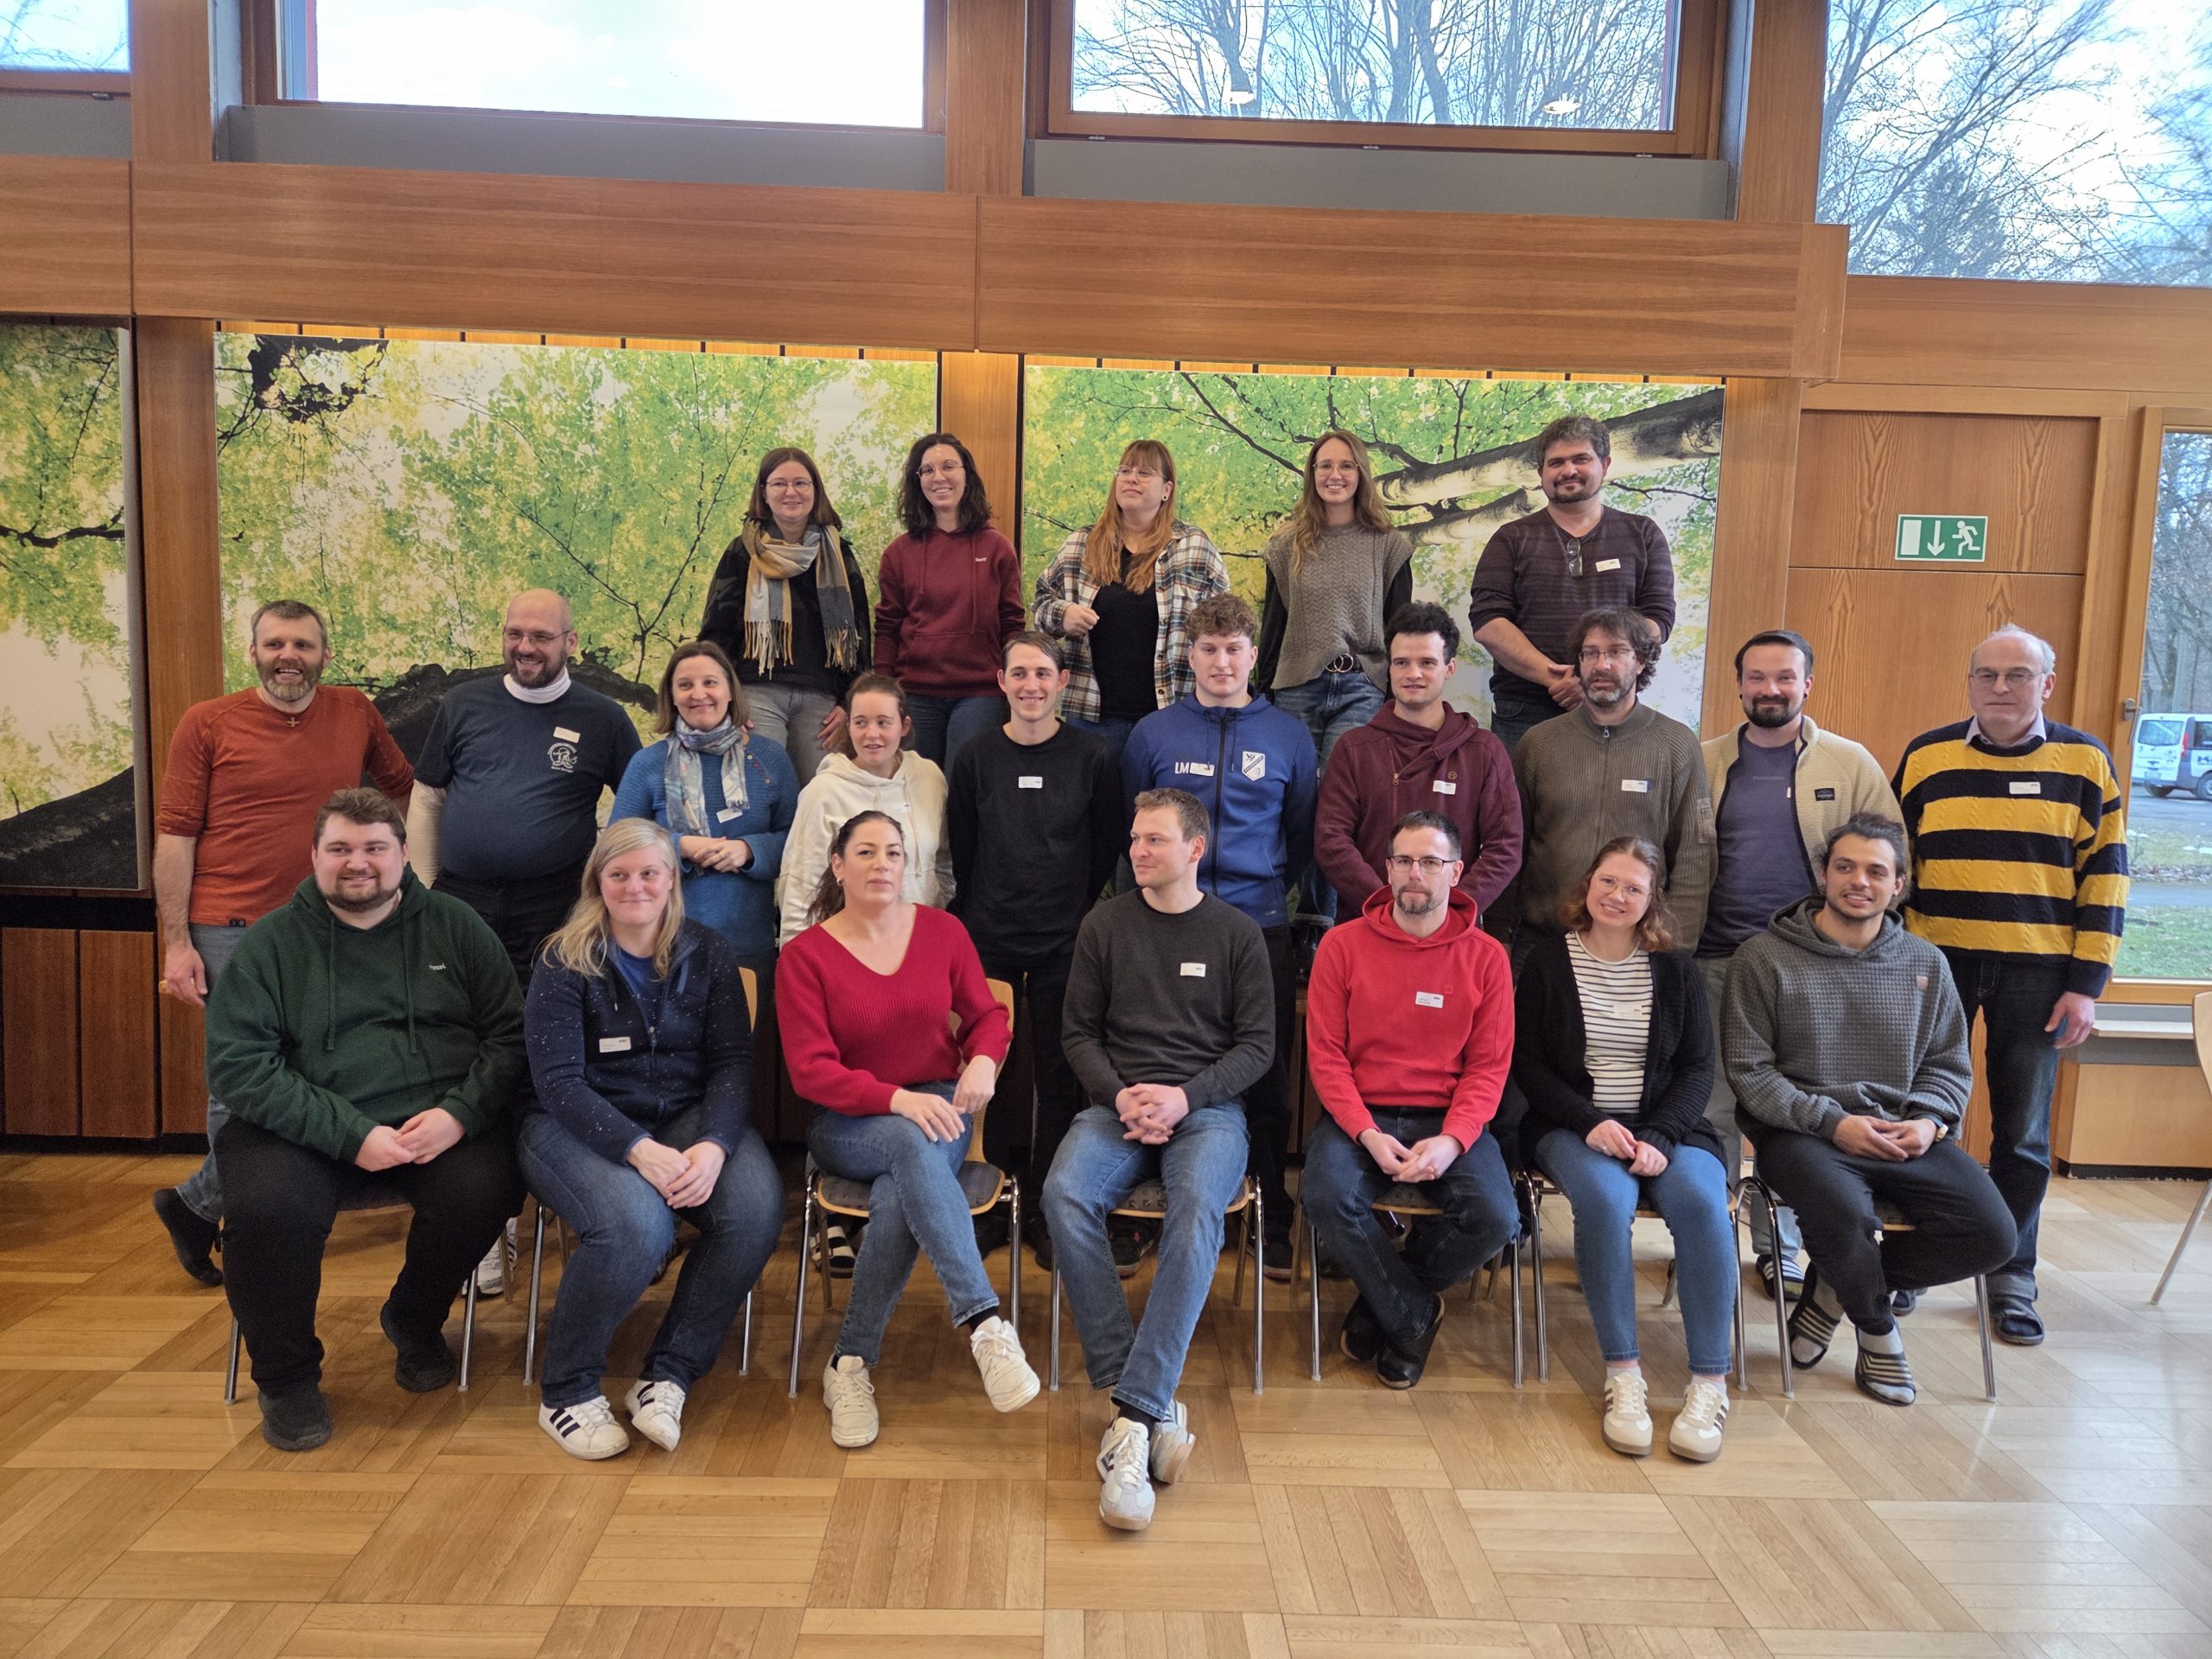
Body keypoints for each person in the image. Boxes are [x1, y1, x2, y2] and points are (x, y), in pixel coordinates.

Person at [204, 789, 524, 1452]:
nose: (358, 863)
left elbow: (510, 1037)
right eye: (341, 848)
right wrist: (349, 1135)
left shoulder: (456, 926)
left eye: (375, 848)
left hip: (432, 1122)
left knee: (487, 1186)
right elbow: (238, 1067)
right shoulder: (271, 943)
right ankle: (287, 1380)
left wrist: (460, 1115)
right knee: (266, 1210)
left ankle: (414, 1318)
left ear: (403, 854)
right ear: (314, 856)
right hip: (303, 1126)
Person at [150, 600, 414, 1288]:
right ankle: (246, 1224)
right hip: (230, 928)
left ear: (325, 654)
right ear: (254, 652)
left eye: (302, 644)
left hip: (326, 928)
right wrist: (176, 944)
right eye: (274, 644)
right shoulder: (207, 722)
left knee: (323, 1067)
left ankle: (198, 1205)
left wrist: (390, 868)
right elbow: (175, 837)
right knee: (240, 1081)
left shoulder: (355, 711)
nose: (287, 656)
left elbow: (403, 788)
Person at [1724, 816, 2018, 1406]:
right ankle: (1879, 1333)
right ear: (1823, 875)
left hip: (1903, 1131)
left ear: (1899, 885)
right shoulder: (1763, 958)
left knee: (1994, 1236)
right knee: (1844, 1218)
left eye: (1876, 871)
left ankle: (1834, 1287)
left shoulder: (1927, 963)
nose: (1859, 881)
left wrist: (1930, 1121)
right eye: (1846, 867)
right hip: (1802, 1135)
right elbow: (1751, 1072)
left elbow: (1947, 1064)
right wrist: (1834, 1123)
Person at [1043, 789, 1273, 1532]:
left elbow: (1258, 1047)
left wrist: (1184, 1097)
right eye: (1136, 839)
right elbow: (1078, 1034)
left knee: (1199, 1207)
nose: (1138, 851)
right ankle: (1141, 1400)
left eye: (1154, 840)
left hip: (1207, 1111)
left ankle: (1133, 1420)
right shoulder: (1105, 924)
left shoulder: (1238, 933)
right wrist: (1122, 1097)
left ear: (1195, 848)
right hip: (1119, 1105)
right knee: (1063, 1194)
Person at [1891, 626, 2128, 1346]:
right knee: (1924, 1118)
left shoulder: (2086, 762)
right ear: (1969, 682)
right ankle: (1920, 1257)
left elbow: (2107, 877)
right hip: (1935, 968)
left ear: (2046, 684)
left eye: (2018, 675)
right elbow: (1896, 868)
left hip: (2040, 972)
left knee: (2022, 1133)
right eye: (1987, 674)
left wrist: (2087, 983)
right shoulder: (1927, 756)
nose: (2001, 687)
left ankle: (2010, 1271)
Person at [520, 819, 783, 1459]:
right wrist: (639, 1150)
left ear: (672, 880)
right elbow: (558, 1084)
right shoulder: (562, 959)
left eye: (649, 873)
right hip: (571, 1124)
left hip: (685, 1116)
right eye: (619, 875)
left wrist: (715, 1144)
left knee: (754, 1210)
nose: (635, 886)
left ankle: (668, 1375)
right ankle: (567, 1390)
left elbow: (731, 1063)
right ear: (598, 883)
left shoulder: (708, 950)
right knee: (638, 1228)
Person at [778, 810, 1038, 1448]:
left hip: (940, 1107)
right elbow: (810, 1072)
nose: (881, 864)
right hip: (848, 1121)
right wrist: (895, 1099)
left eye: (893, 852)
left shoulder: (943, 931)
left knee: (901, 1190)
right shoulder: (805, 957)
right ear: (838, 866)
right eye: (865, 852)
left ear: (907, 864)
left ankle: (848, 1364)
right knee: (905, 1139)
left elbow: (987, 1017)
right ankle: (985, 1322)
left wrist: (985, 1058)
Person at [1515, 837, 1736, 1461]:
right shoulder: (1548, 961)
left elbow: (1697, 1068)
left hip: (1669, 1129)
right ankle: (1624, 1375)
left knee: (1703, 1203)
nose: (1617, 896)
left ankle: (1709, 1383)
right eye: (1608, 881)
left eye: (1633, 888)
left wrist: (1661, 1135)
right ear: (1587, 884)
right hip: (1571, 1127)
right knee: (1607, 1202)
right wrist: (1589, 1121)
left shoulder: (1676, 968)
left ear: (1652, 899)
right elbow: (1528, 1063)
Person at [1698, 630, 1901, 1305]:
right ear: (1739, 685)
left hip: (1809, 972)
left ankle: (1777, 1249)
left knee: (1791, 1111)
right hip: (1716, 960)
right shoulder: (1705, 760)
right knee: (1713, 1111)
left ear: (1807, 684)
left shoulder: (1849, 762)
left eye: (1785, 677)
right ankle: (1709, 1243)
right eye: (1757, 677)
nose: (1771, 689)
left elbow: (1890, 856)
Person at [1121, 592, 1317, 1275]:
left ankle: (1268, 1210)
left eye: (1234, 649)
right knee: (1156, 1058)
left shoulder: (1289, 736)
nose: (1221, 662)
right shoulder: (1154, 733)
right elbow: (1132, 828)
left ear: (1253, 655)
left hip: (1258, 926)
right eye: (1208, 649)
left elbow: (1300, 833)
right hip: (1166, 928)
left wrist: (1265, 887)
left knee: (1267, 1072)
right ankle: (1144, 1207)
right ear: (1191, 655)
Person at [1301, 812, 1519, 1389]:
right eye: (1403, 860)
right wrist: (1365, 1132)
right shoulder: (1342, 945)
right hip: (1361, 1116)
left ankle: (1383, 1303)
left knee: (1497, 1218)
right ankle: (1413, 1315)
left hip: (1448, 1120)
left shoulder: (1487, 957)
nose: (1414, 874)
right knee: (1324, 1196)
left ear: (1456, 872)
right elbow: (1326, 1056)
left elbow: (1489, 1068)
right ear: (1388, 867)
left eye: (1429, 862)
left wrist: (1452, 1140)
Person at [946, 632, 1122, 1266]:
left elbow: (1106, 846)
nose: (1031, 685)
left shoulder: (1093, 757)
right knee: (986, 1073)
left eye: (1043, 673)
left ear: (1063, 681)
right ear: (1001, 681)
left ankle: (1048, 1207)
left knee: (1058, 1075)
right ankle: (989, 1202)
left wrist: (1075, 910)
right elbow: (964, 849)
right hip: (988, 938)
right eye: (1019, 673)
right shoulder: (975, 757)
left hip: (1063, 941)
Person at [407, 588, 643, 989]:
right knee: (453, 1010)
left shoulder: (605, 718)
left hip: (554, 908)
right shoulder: (462, 703)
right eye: (514, 634)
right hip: (460, 899)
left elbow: (640, 810)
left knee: (542, 1014)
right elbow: (428, 798)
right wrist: (426, 890)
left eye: (541, 637)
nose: (525, 647)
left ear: (571, 642)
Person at [1508, 607, 1713, 957]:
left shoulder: (1676, 745)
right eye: (1590, 653)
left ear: (1641, 662)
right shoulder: (1538, 743)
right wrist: (1503, 933)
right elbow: (1512, 845)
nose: (1602, 665)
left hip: (1641, 948)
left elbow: (1696, 852)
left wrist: (1675, 950)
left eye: (1617, 652)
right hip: (1543, 945)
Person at [1465, 415, 1677, 753]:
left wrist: (1594, 677)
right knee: (1517, 793)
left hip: (1614, 707)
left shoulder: (1643, 534)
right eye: (1556, 463)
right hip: (1523, 711)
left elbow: (1658, 620)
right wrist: (1556, 679)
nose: (1568, 470)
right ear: (1541, 473)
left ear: (1604, 465)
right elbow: (1488, 622)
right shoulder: (1510, 538)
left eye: (1581, 459)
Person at [1031, 439, 1230, 774]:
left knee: (1165, 806)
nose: (1131, 478)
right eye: (1124, 470)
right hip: (1093, 718)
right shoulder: (1082, 543)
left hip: (1171, 715)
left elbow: (1226, 625)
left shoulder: (1194, 547)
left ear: (1167, 489)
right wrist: (1063, 615)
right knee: (1098, 807)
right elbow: (1040, 604)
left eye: (1144, 472)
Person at [1314, 601, 1521, 921]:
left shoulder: (1484, 751)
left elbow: (1505, 848)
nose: (1413, 674)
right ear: (1389, 668)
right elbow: (1331, 842)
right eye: (1402, 663)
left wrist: (1451, 912)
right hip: (1368, 924)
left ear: (1449, 668)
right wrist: (1385, 906)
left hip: (1454, 930)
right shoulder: (1354, 749)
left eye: (1427, 662)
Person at [610, 640, 796, 976]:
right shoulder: (647, 764)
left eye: (710, 682)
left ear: (730, 691)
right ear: (671, 696)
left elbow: (797, 842)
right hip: (664, 943)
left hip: (749, 942)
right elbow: (616, 849)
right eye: (685, 685)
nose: (699, 694)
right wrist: (679, 847)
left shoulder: (770, 759)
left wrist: (749, 850)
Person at [698, 446, 873, 787]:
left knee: (821, 795)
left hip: (822, 702)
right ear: (764, 492)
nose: (791, 492)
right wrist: (725, 701)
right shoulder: (741, 551)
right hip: (756, 695)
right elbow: (716, 635)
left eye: (800, 483)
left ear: (815, 490)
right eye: (779, 484)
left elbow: (859, 634)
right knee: (764, 793)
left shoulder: (839, 554)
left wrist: (850, 703)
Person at [1254, 429, 1415, 773]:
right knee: (1294, 791)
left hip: (1361, 689)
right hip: (1296, 689)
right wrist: (1262, 695)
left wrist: (1395, 697)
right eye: (1325, 465)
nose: (1335, 475)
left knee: (1341, 790)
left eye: (1346, 465)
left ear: (1361, 473)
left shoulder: (1389, 546)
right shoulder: (1285, 547)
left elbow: (1401, 630)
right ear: (1312, 474)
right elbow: (1273, 628)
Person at [873, 431, 1023, 771]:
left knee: (963, 787)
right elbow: (888, 627)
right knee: (916, 788)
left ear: (967, 475)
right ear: (918, 482)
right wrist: (884, 689)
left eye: (948, 466)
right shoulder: (899, 553)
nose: (938, 477)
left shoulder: (997, 548)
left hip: (980, 693)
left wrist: (1013, 685)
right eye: (927, 470)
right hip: (915, 694)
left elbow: (1012, 623)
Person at [778, 671, 953, 949]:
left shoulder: (929, 777)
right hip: (851, 949)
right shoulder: (823, 792)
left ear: (904, 726)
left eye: (883, 722)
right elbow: (801, 890)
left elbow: (943, 863)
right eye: (861, 722)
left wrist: (934, 923)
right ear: (848, 726)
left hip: (921, 943)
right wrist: (796, 961)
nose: (872, 734)